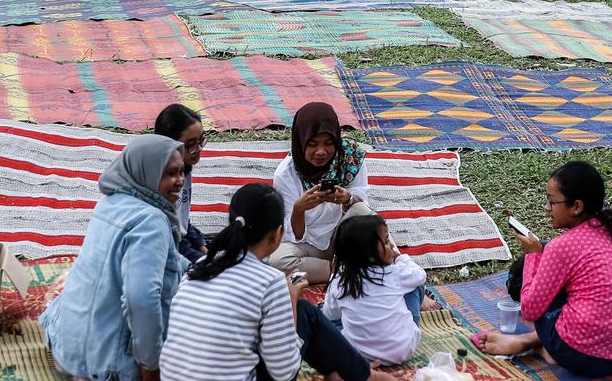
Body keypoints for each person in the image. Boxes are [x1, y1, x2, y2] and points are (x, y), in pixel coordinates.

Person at [161, 183, 393, 381]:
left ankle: (344, 369)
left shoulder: (201, 265)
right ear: (277, 233)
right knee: (305, 312)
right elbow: (284, 372)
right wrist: (290, 297)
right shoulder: (269, 281)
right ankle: (361, 373)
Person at [473, 162, 612, 377]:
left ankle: (545, 348)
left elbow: (529, 309)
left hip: (578, 355)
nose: (547, 208)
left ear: (576, 206)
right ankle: (543, 345)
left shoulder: (561, 247)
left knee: (543, 289)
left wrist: (534, 255)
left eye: (551, 201)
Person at [41, 135, 188, 381]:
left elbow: (168, 260)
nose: (180, 181)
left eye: (182, 172)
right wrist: (151, 367)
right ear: (147, 172)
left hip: (65, 345)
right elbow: (141, 300)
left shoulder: (112, 202)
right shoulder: (151, 222)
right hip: (104, 367)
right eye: (171, 174)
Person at [268, 102, 375, 282]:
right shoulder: (286, 174)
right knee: (277, 261)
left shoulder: (351, 159)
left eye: (328, 143)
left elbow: (362, 206)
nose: (321, 152)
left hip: (345, 238)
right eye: (313, 144)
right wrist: (299, 209)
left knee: (367, 217)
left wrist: (347, 199)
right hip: (308, 245)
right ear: (301, 141)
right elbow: (291, 235)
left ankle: (397, 269)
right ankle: (347, 271)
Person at [323, 215, 431, 366]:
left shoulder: (340, 282)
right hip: (403, 349)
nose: (392, 247)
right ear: (370, 255)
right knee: (416, 285)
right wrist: (401, 258)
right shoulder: (396, 273)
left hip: (359, 353)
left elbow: (330, 315)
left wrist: (334, 278)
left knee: (328, 320)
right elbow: (421, 275)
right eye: (387, 242)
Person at [155, 104, 210, 262]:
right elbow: (171, 237)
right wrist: (203, 260)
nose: (198, 149)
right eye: (191, 144)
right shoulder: (162, 181)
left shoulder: (185, 168)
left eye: (201, 141)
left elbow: (182, 222)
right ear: (169, 143)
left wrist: (202, 247)